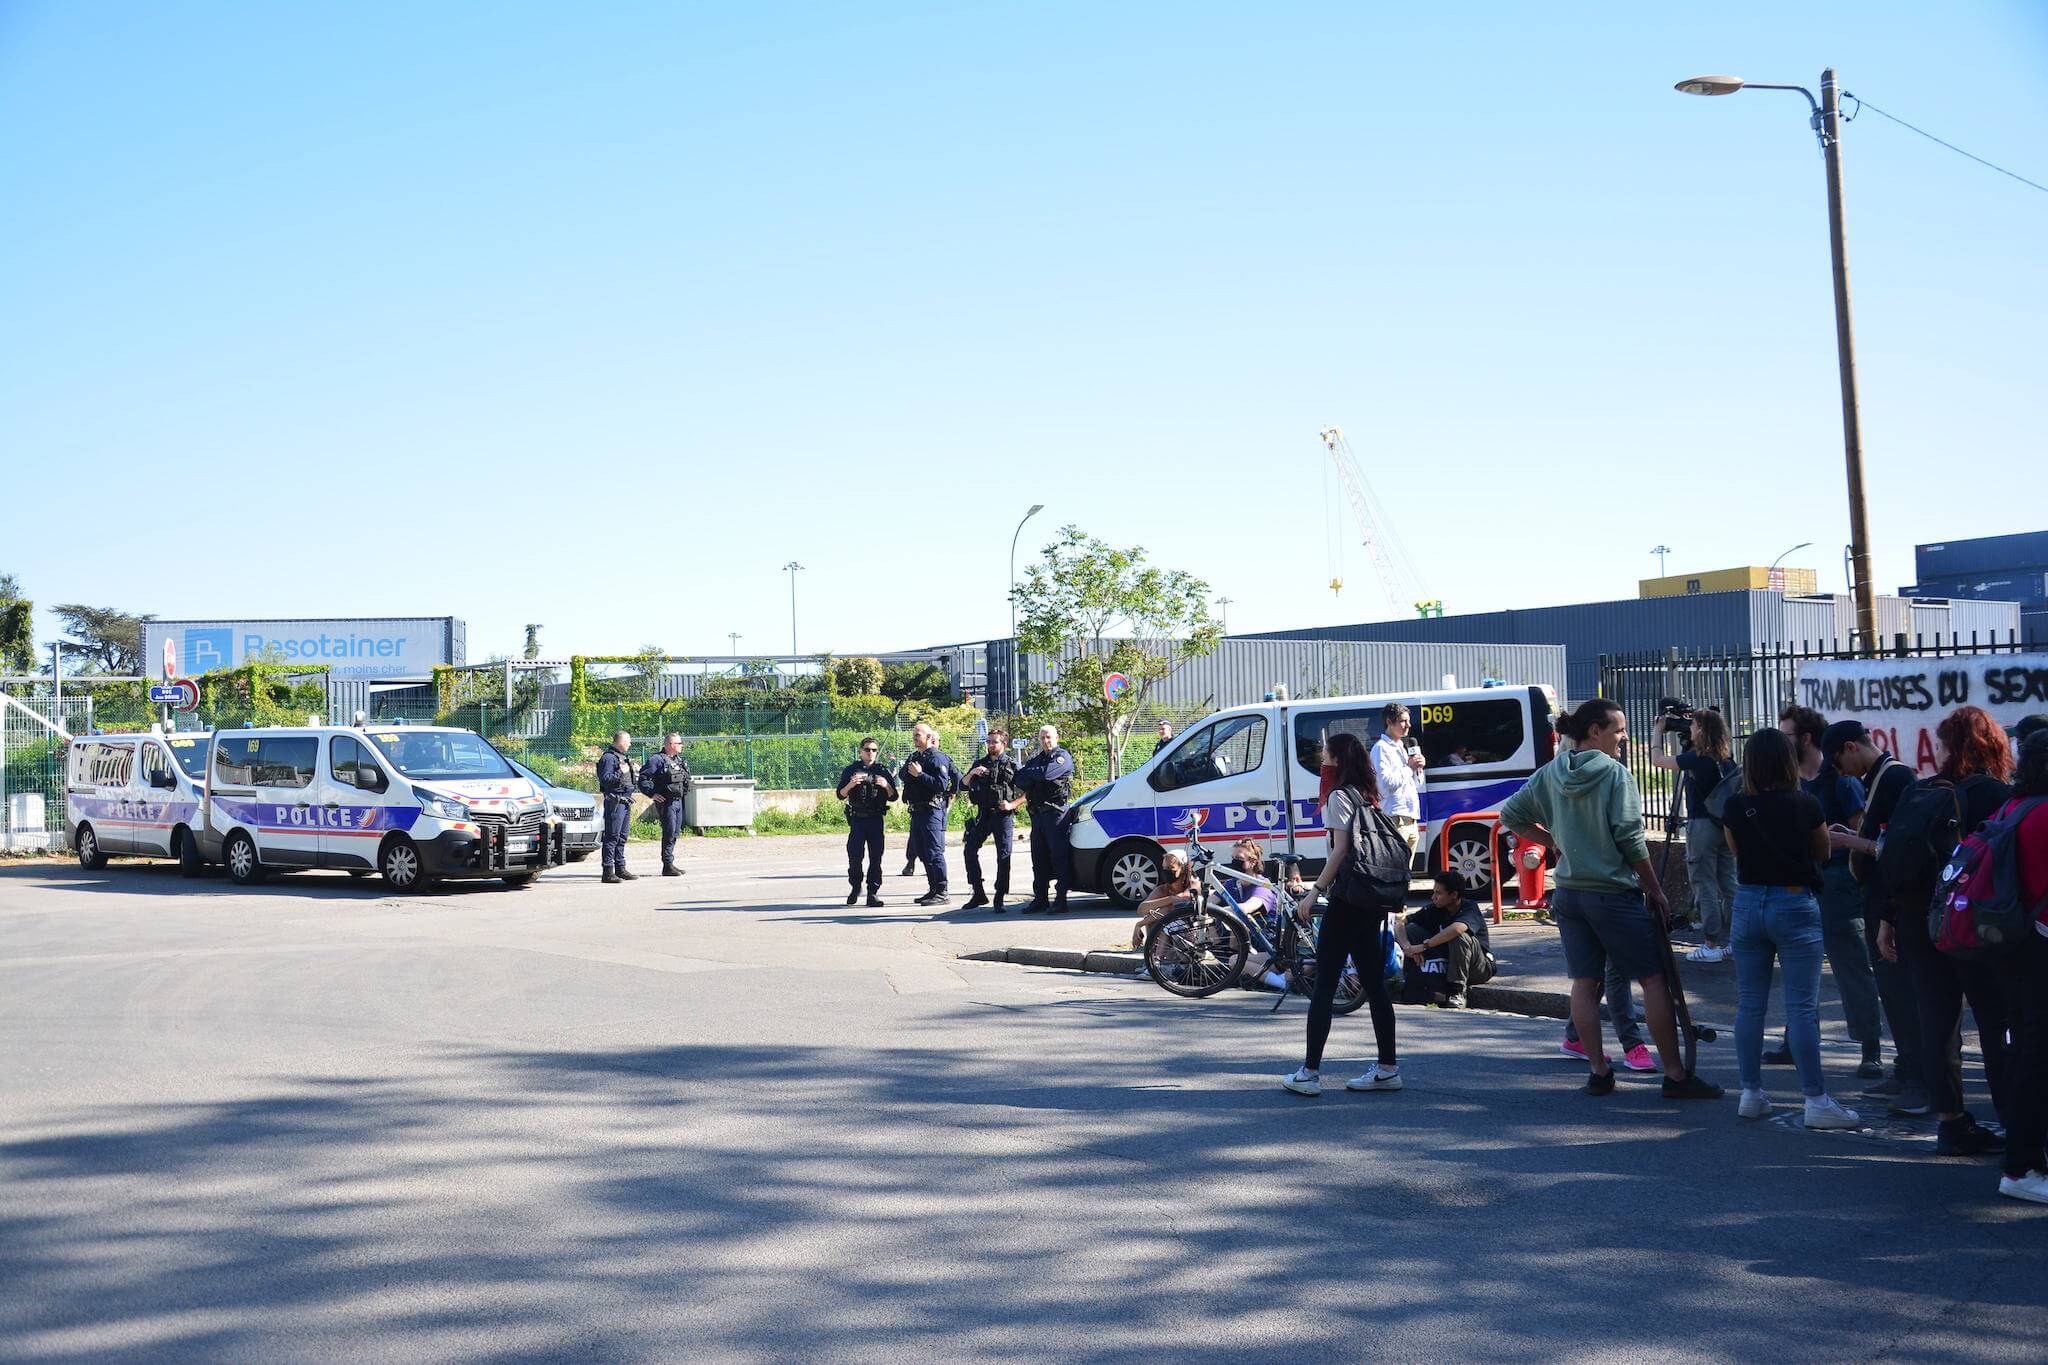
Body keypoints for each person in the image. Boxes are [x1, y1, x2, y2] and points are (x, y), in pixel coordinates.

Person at [1500, 698, 1723, 1100]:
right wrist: (1655, 889)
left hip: (1569, 894)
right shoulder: (1615, 775)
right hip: (1611, 893)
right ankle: (1674, 1074)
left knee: (1585, 983)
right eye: (1618, 729)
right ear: (1594, 731)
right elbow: (1631, 839)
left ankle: (1599, 1071)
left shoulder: (1550, 772)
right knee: (1653, 979)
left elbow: (1512, 814)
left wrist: (1557, 844)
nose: (1624, 737)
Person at [1870, 705, 2014, 1157]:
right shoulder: (1994, 794)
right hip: (1973, 923)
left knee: (1937, 1022)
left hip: (1918, 920)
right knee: (1996, 1023)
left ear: (1948, 748)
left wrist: (1888, 921)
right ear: (1993, 744)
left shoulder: (1924, 791)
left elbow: (1903, 861)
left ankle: (1951, 1123)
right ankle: (2015, 1121)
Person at [1720, 726, 1860, 1129]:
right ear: (1787, 761)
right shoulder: (1806, 803)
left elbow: (1737, 852)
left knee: (1750, 1003)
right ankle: (1815, 1099)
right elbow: (1823, 850)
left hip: (1748, 902)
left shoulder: (1734, 805)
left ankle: (1750, 1092)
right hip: (1794, 901)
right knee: (1801, 1007)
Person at [1765, 705, 1888, 1079]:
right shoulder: (1787, 781)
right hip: (1800, 882)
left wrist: (1835, 840)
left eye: (1786, 734)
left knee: (1850, 966)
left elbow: (1863, 835)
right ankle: (1797, 1039)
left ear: (1804, 738)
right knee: (1798, 967)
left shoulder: (1840, 780)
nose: (1781, 742)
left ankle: (1870, 1048)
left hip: (1836, 884)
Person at [1821, 720, 1933, 1116]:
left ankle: (1920, 1079)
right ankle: (1906, 1069)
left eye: (1837, 760)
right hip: (1875, 898)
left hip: (1890, 902)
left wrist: (1852, 842)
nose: (1839, 771)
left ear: (1851, 747)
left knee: (1903, 992)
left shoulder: (1896, 778)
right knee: (1892, 990)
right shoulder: (1878, 778)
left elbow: (1900, 846)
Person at [1282, 731, 1402, 1098]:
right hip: (1372, 898)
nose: (1321, 761)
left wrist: (1314, 891)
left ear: (1335, 761)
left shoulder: (1338, 796)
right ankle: (1387, 1068)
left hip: (1348, 900)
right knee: (1373, 983)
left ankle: (1310, 1072)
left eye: (1324, 756)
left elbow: (1340, 850)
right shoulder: (1367, 794)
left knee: (1324, 983)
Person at [1993, 730, 2048, 1203]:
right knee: (2036, 1055)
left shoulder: (2012, 808)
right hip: (2040, 947)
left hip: (2009, 944)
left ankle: (2024, 1155)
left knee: (2025, 1050)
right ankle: (2022, 1165)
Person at [1650, 708, 1737, 963]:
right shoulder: (1726, 759)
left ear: (1703, 731)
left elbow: (1657, 760)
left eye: (1694, 726)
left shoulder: (1696, 758)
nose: (1690, 730)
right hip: (1725, 827)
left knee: (1704, 883)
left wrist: (1658, 731)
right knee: (1730, 884)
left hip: (1702, 827)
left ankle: (1711, 944)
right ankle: (1737, 939)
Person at [1398, 871, 1496, 1008]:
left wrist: (1424, 946)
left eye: (1438, 893)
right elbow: (1400, 923)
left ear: (1454, 895)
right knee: (1412, 929)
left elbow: (1457, 929)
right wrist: (1407, 946)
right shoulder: (1436, 909)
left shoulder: (1470, 908)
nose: (1433, 897)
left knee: (1459, 936)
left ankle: (1457, 992)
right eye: (1434, 892)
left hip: (1478, 968)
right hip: (1450, 963)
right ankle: (1414, 983)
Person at [1016, 724, 1075, 914]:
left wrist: (1034, 774)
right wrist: (1036, 774)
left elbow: (1047, 774)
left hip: (1056, 815)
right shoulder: (1038, 759)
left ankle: (1061, 900)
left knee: (1059, 858)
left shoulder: (1062, 757)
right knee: (1038, 859)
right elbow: (1019, 779)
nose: (1046, 741)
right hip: (1038, 815)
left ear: (1056, 737)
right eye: (1042, 738)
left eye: (1049, 737)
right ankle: (1040, 899)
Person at [962, 728, 1023, 912]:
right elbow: (962, 785)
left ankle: (999, 896)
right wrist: (973, 773)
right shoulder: (980, 763)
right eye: (988, 741)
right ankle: (978, 892)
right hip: (984, 814)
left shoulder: (1012, 765)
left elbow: (1029, 791)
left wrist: (1013, 805)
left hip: (1003, 816)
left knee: (1003, 856)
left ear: (1003, 744)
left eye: (994, 742)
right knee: (969, 850)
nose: (990, 745)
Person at [899, 722, 958, 907]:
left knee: (934, 852)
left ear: (929, 737)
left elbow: (941, 784)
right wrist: (913, 773)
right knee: (923, 852)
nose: (915, 738)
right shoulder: (916, 756)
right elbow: (903, 774)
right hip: (917, 811)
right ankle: (933, 889)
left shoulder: (937, 758)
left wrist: (920, 774)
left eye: (918, 735)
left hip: (931, 811)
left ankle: (942, 891)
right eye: (914, 735)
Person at [836, 737, 896, 907]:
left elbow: (893, 797)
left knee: (876, 857)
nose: (871, 753)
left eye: (874, 750)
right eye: (867, 749)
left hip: (875, 819)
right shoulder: (851, 770)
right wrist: (850, 784)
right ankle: (855, 887)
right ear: (861, 750)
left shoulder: (882, 771)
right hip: (857, 819)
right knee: (855, 857)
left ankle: (873, 892)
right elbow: (840, 794)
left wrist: (886, 785)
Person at [1371, 703, 1425, 859]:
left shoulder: (1402, 746)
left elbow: (1416, 784)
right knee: (1396, 870)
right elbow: (1385, 784)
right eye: (1403, 721)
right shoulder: (1381, 748)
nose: (1408, 725)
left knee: (1406, 873)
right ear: (1389, 722)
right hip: (1395, 817)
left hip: (1410, 817)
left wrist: (1418, 768)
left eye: (1408, 721)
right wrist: (1409, 768)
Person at [638, 732, 692, 878]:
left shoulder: (678, 760)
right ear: (671, 745)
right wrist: (652, 793)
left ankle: (670, 863)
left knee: (675, 833)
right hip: (666, 803)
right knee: (668, 833)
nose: (682, 746)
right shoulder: (657, 760)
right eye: (679, 743)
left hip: (678, 801)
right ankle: (667, 865)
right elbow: (643, 778)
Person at [595, 730, 638, 884]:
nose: (630, 744)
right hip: (615, 802)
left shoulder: (622, 757)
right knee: (612, 837)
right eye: (628, 741)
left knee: (622, 836)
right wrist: (621, 771)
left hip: (625, 801)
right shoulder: (608, 758)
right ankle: (607, 871)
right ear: (620, 742)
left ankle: (620, 868)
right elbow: (605, 779)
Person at [1131, 850, 1193, 950]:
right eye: (1164, 868)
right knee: (1151, 914)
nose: (1166, 871)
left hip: (1190, 941)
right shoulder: (1163, 889)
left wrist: (1141, 923)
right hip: (1171, 941)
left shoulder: (1192, 887)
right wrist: (1170, 899)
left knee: (1164, 917)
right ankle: (1155, 957)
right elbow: (1142, 909)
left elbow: (1169, 910)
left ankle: (1159, 960)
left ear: (1183, 869)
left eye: (1170, 868)